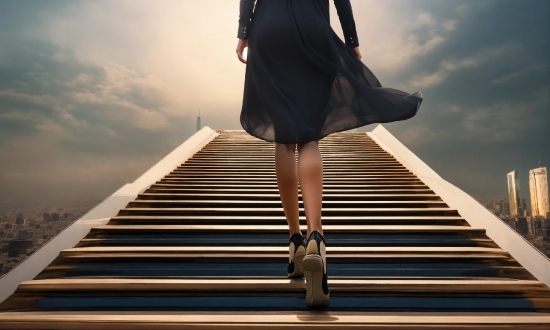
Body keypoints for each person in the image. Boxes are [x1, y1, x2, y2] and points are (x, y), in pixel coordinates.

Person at [235, 0, 422, 308]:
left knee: (285, 140)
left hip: (268, 30)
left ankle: (294, 239)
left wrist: (244, 32)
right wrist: (352, 41)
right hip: (313, 30)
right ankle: (315, 237)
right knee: (309, 137)